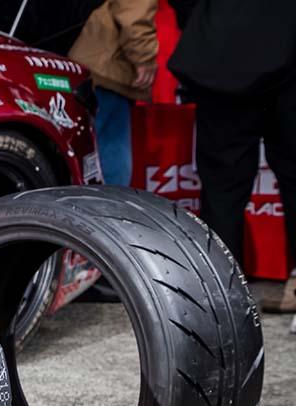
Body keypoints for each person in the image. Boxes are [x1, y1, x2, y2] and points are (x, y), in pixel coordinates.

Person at [168, 0, 296, 313]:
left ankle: (225, 301)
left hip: (226, 55)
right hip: (283, 50)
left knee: (222, 190)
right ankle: (224, 295)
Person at [67, 0, 159, 187]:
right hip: (105, 66)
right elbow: (134, 14)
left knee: (84, 153)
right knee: (111, 150)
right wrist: (145, 57)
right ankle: (109, 206)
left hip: (81, 59)